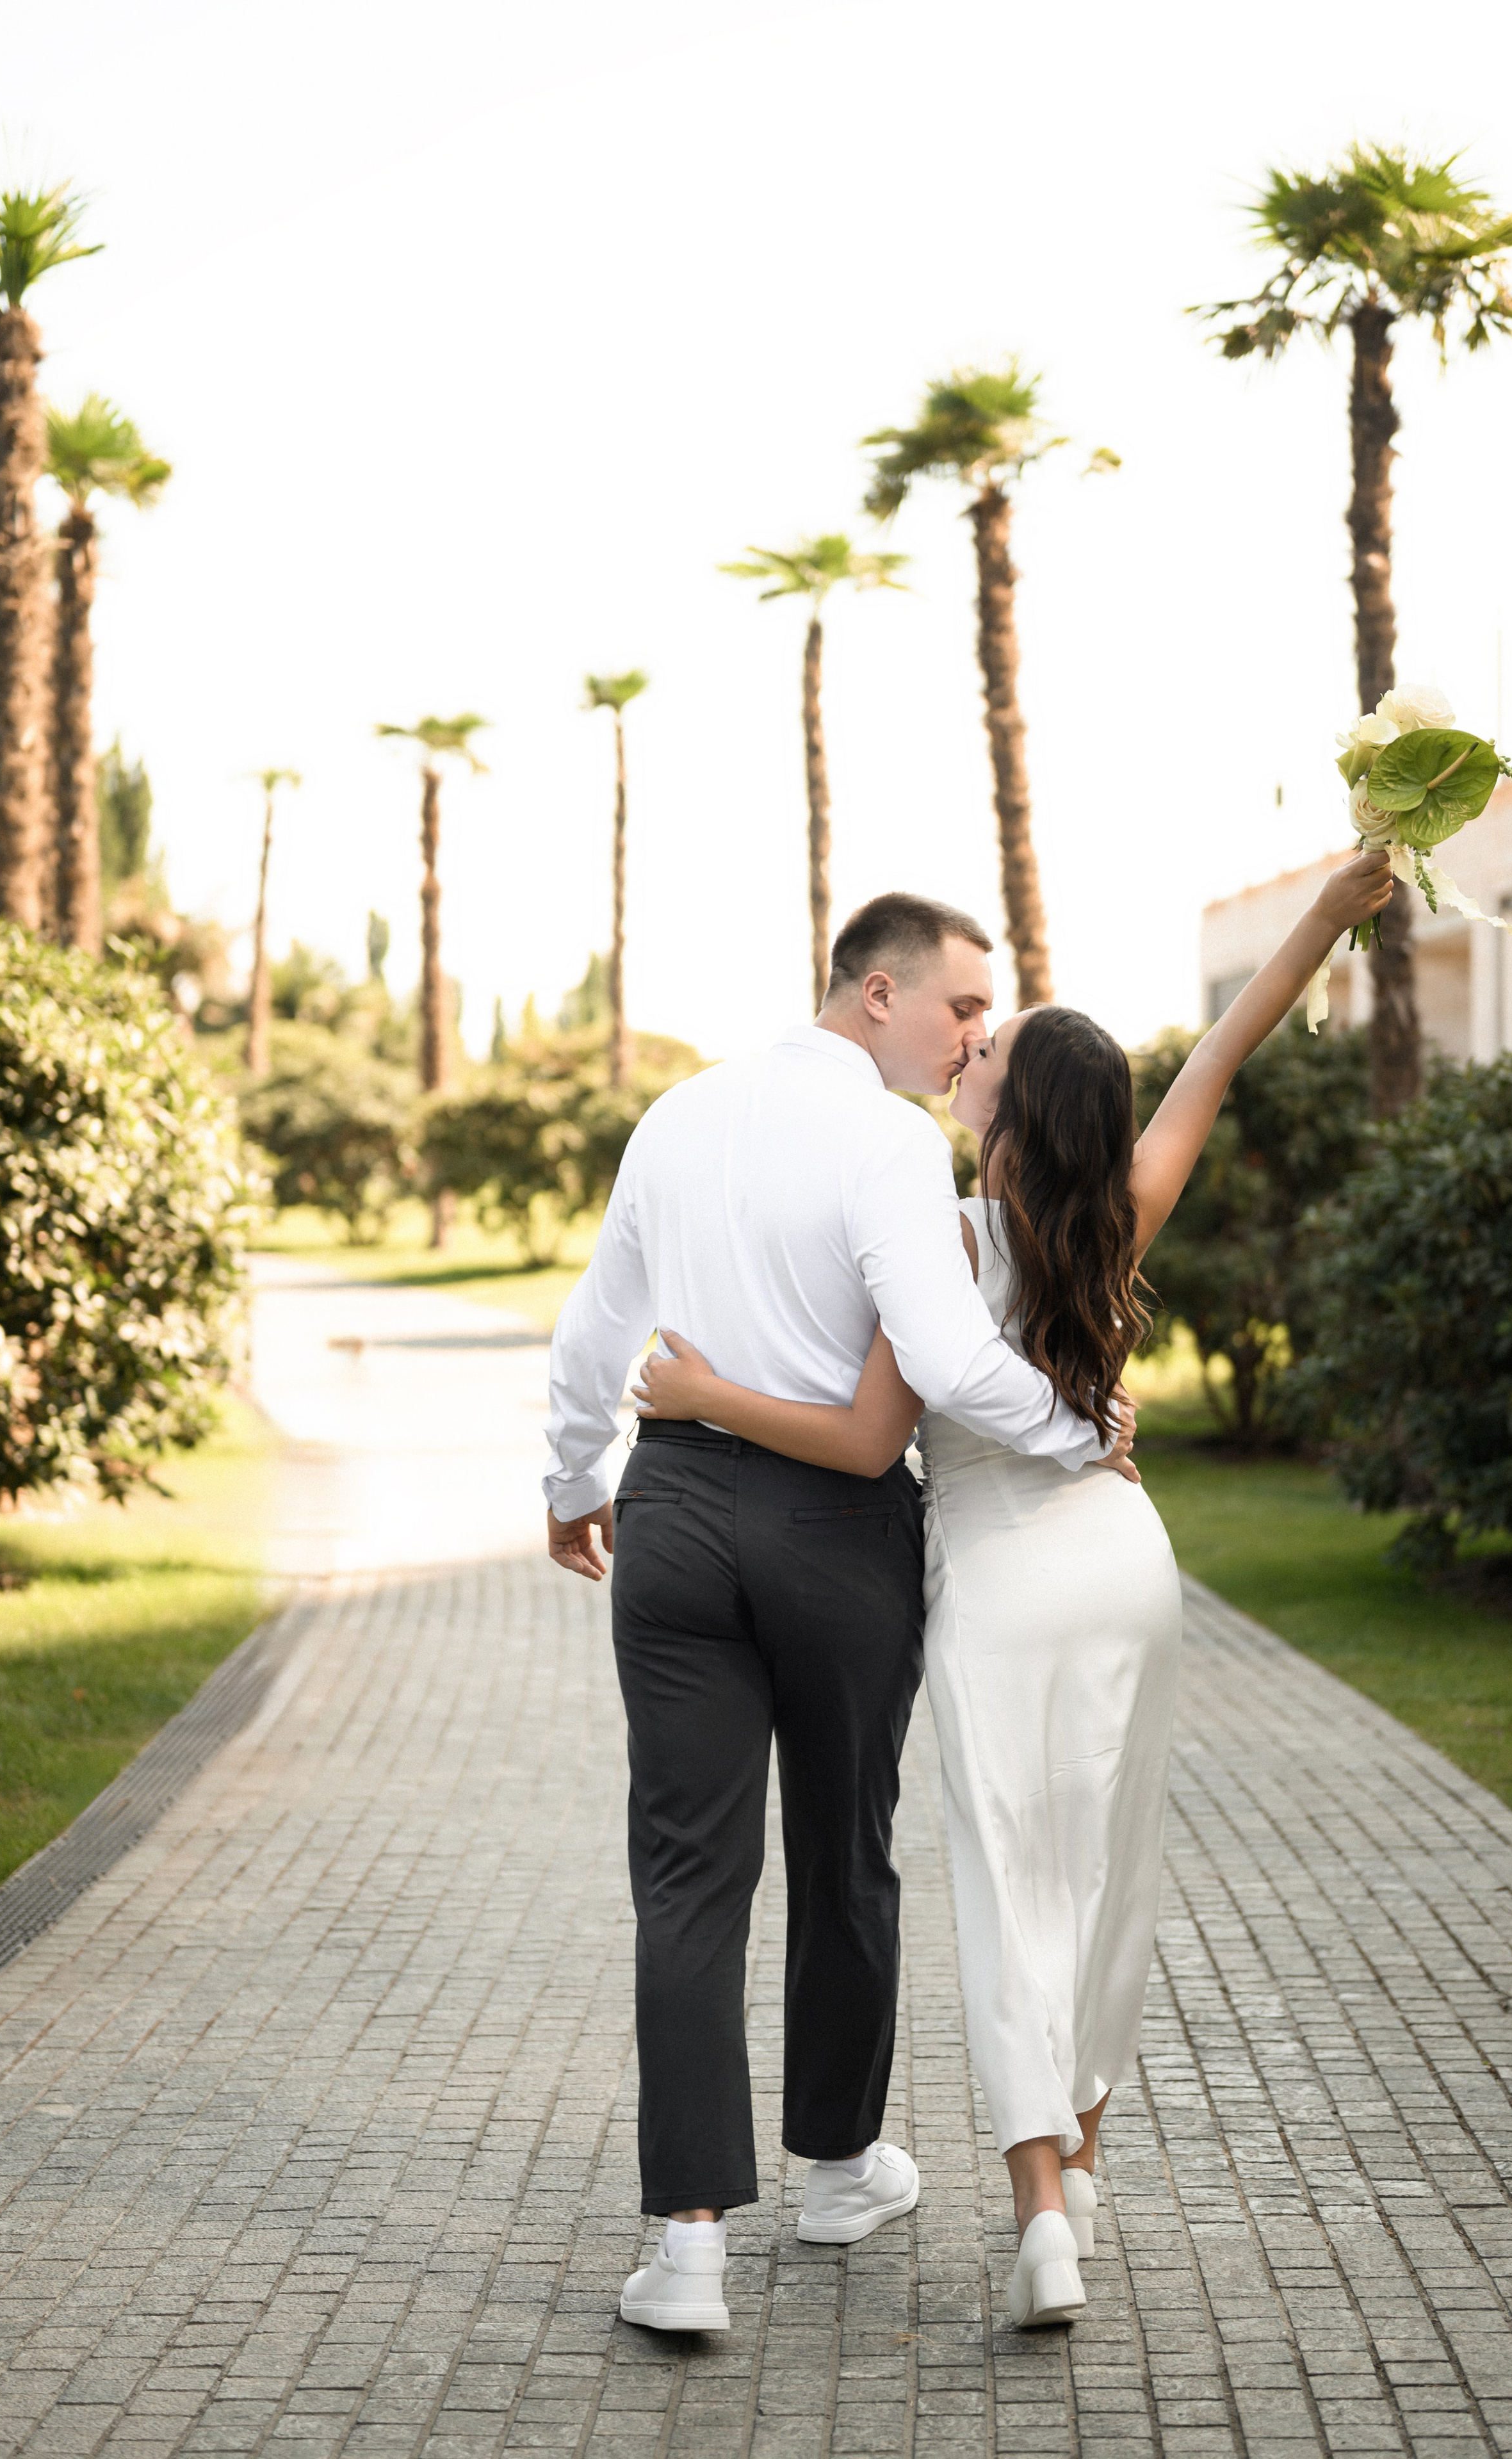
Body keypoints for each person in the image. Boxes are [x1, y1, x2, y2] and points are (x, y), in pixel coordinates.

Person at [630, 846, 1393, 2330]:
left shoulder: (944, 1240)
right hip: (1127, 1566)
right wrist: (1328, 909)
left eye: (984, 1048)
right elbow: (1225, 1046)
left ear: (991, 1110)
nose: (963, 1049)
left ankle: (1040, 2209)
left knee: (1007, 1887)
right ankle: (1080, 2181)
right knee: (1103, 1877)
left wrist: (703, 1397)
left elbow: (863, 1440)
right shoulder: (1123, 1210)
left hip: (993, 1580)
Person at [542, 891, 1138, 2335]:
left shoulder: (674, 1117)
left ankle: (684, 2257)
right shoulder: (888, 1141)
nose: (970, 1039)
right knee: (840, 1854)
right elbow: (939, 1355)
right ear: (878, 993)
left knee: (686, 1878)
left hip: (674, 1510)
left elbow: (593, 1325)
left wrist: (571, 1480)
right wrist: (1081, 1429)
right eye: (958, 1011)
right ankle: (831, 2173)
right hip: (835, 1536)